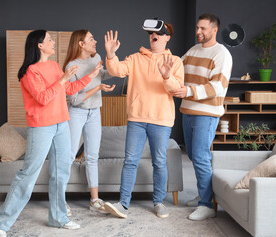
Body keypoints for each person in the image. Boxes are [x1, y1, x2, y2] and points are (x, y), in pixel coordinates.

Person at [0, 29, 103, 237]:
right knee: (28, 174)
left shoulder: (53, 66)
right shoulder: (29, 72)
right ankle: (2, 221)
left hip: (62, 124)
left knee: (61, 173)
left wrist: (91, 75)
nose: (53, 43)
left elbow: (69, 90)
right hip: (41, 126)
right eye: (49, 40)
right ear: (39, 45)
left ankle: (58, 217)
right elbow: (43, 98)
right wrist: (62, 80)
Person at [102, 19, 184, 219]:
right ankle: (123, 204)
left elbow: (176, 89)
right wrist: (111, 54)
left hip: (161, 119)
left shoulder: (175, 61)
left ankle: (159, 202)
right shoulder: (136, 58)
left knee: (159, 162)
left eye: (157, 33)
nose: (152, 36)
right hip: (137, 118)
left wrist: (166, 76)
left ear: (167, 37)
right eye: (150, 33)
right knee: (130, 161)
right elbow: (117, 70)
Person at [170, 13, 232, 221]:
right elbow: (177, 66)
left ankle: (206, 205)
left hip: (206, 113)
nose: (198, 32)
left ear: (214, 30)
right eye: (197, 28)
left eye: (203, 29)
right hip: (188, 111)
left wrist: (188, 91)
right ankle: (204, 195)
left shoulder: (221, 53)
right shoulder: (194, 50)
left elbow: (218, 86)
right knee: (195, 156)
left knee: (200, 156)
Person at [63, 29, 115, 214]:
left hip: (95, 112)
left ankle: (94, 200)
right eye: (91, 39)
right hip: (77, 112)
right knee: (68, 156)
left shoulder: (97, 57)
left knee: (92, 157)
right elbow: (75, 99)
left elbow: (103, 75)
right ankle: (61, 201)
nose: (95, 41)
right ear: (81, 44)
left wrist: (112, 57)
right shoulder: (72, 66)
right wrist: (97, 87)